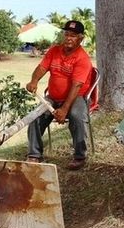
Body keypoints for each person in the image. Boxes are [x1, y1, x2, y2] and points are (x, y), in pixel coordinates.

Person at [25, 20, 93, 170]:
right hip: (53, 98)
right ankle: (34, 154)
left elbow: (77, 86)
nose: (69, 38)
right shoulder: (54, 51)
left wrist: (64, 109)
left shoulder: (82, 59)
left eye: (73, 35)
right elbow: (42, 67)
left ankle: (80, 156)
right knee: (35, 116)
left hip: (76, 98)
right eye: (67, 34)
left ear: (80, 38)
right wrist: (34, 81)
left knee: (76, 116)